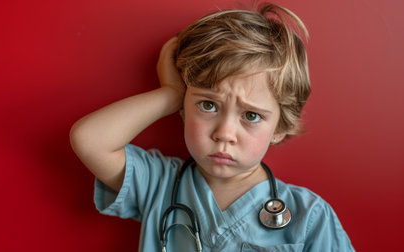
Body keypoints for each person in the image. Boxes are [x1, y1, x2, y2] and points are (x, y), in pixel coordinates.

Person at [70, 2, 355, 251]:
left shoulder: (310, 217)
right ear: (185, 107)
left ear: (280, 126)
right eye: (208, 105)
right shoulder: (159, 184)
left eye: (251, 116)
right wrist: (170, 94)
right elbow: (89, 140)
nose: (224, 133)